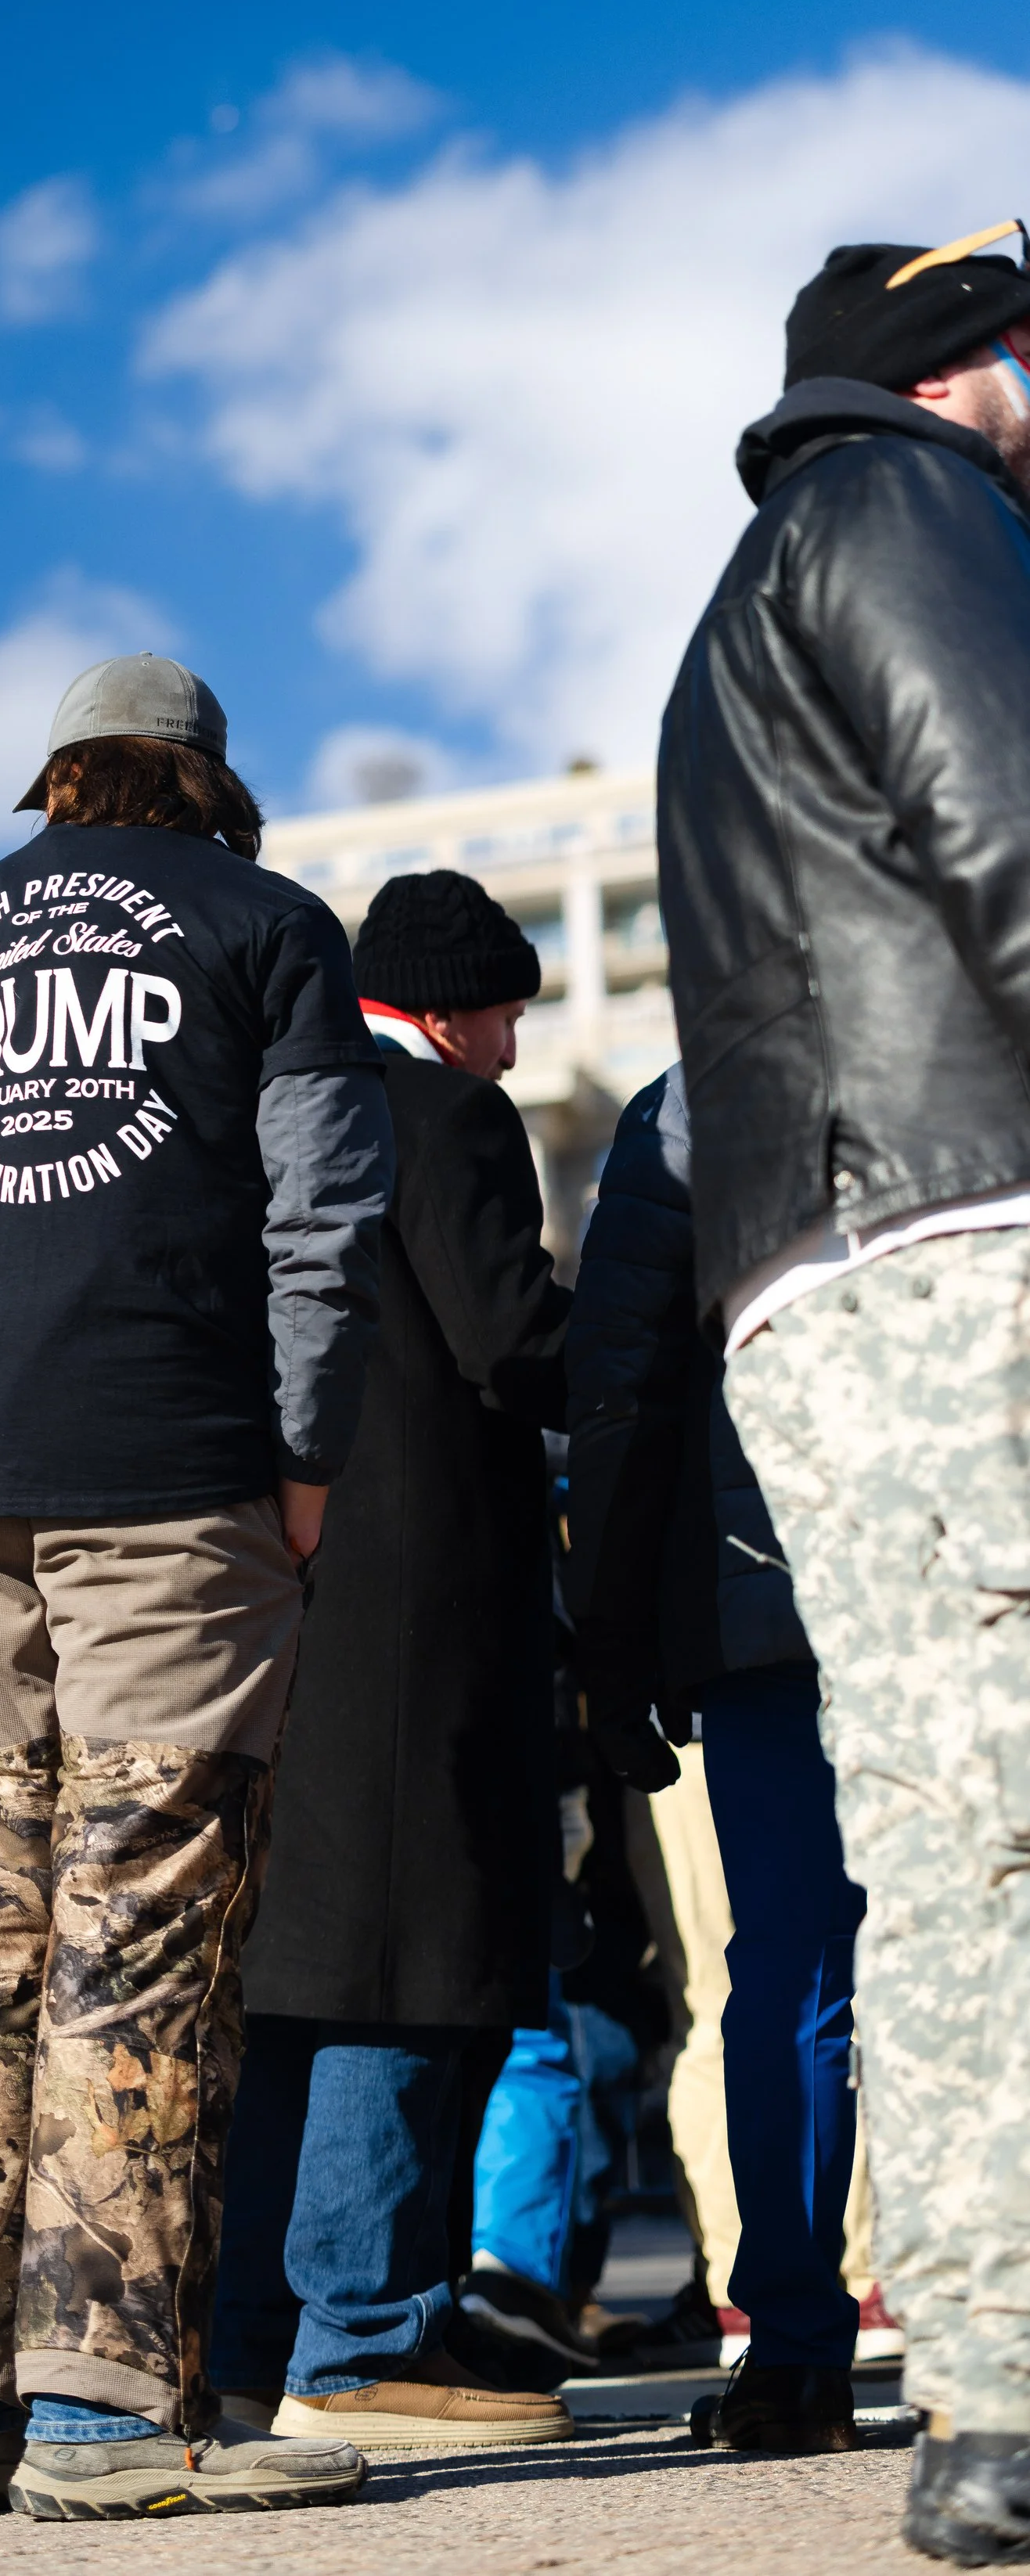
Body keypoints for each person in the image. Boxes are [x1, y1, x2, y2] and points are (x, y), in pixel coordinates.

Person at [0, 652, 391, 2520]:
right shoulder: (269, 925)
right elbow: (325, 1209)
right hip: (176, 1471)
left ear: (54, 780)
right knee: (142, 1914)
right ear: (206, 780)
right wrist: (303, 1461)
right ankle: (106, 2418)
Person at [657, 224, 1030, 2561]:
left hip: (812, 1285)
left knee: (944, 1838)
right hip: (972, 1233)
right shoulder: (904, 505)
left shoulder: (728, 612)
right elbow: (1006, 833)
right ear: (959, 357)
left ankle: (989, 2390)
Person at [209, 867, 572, 2455]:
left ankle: (250, 2336)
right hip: (421, 1601)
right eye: (499, 1010)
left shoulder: (260, 1121)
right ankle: (364, 2337)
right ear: (444, 1002)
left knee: (290, 1972)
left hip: (264, 1591)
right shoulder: (439, 1114)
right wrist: (646, 1345)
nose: (504, 1044)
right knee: (397, 1957)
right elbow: (508, 1336)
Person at [565, 1063, 870, 2452]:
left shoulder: (693, 1101)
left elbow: (624, 1387)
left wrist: (614, 1640)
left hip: (769, 1597)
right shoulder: (986, 1010)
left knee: (793, 1974)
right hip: (969, 1572)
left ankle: (798, 2349)